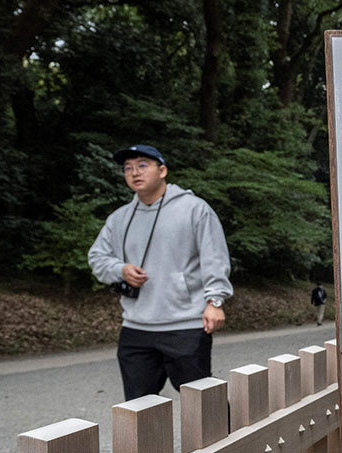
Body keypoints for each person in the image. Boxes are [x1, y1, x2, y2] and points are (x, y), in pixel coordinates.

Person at [88, 144, 233, 401]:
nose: (135, 173)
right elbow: (97, 257)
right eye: (128, 168)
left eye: (143, 165)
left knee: (203, 404)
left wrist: (215, 301)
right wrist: (120, 269)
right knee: (138, 408)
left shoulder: (195, 209)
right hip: (136, 327)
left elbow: (215, 257)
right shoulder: (119, 218)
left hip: (186, 324)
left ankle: (226, 443)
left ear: (162, 170)